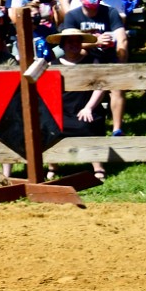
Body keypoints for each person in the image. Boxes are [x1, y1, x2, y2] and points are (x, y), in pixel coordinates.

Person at [61, 0, 127, 137]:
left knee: (117, 87)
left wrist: (122, 62)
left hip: (108, 58)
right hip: (85, 58)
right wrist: (95, 42)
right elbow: (67, 43)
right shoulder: (72, 16)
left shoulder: (110, 12)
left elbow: (122, 37)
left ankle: (117, 129)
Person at [45, 28, 107, 181]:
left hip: (86, 109)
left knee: (86, 125)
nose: (74, 44)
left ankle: (98, 167)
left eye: (77, 40)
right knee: (46, 126)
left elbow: (101, 86)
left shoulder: (93, 61)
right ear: (63, 45)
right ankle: (53, 166)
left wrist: (89, 107)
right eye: (70, 41)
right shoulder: (52, 65)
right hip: (62, 112)